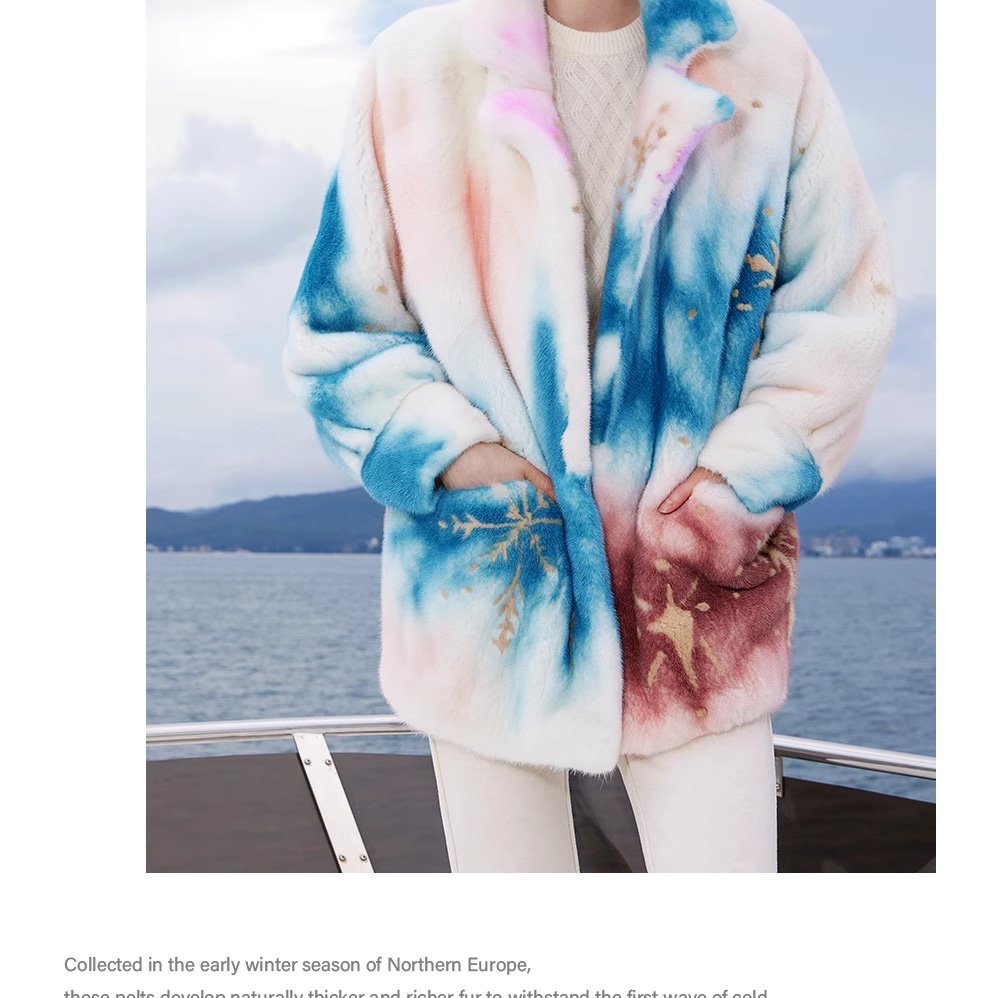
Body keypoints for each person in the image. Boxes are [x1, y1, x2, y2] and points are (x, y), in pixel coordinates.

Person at [283, 0, 896, 872]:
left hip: (699, 600)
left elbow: (841, 305)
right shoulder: (416, 66)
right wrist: (457, 457)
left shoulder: (761, 54)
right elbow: (340, 329)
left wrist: (735, 485)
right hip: (490, 594)